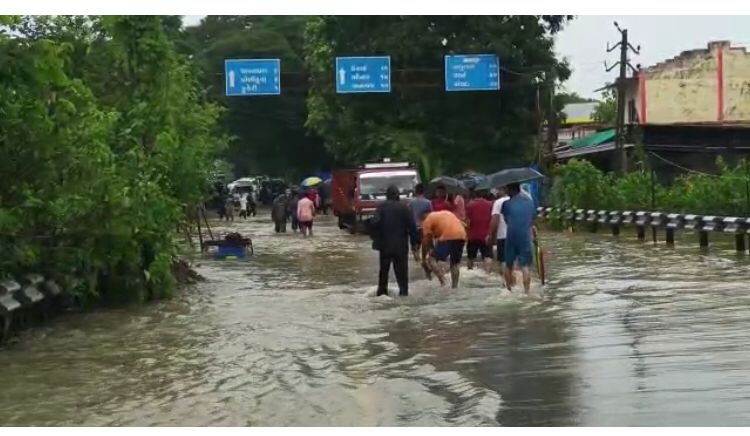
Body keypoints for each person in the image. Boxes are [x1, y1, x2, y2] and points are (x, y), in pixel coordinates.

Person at [369, 185, 420, 297]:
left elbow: (374, 223)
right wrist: (415, 245)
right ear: (398, 195)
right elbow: (412, 228)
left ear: (387, 196)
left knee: (384, 272)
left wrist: (374, 237)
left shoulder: (381, 207)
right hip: (401, 247)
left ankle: (382, 293)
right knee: (402, 273)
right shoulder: (405, 208)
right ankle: (403, 293)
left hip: (385, 246)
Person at [500, 182, 538, 294]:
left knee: (509, 264)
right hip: (525, 235)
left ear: (511, 190)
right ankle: (526, 291)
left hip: (511, 234)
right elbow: (532, 220)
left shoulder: (506, 204)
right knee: (525, 266)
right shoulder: (530, 202)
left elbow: (506, 220)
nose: (506, 191)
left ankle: (509, 290)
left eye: (507, 189)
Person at [421, 210, 467, 288]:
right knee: (454, 263)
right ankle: (454, 287)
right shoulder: (446, 213)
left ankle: (443, 281)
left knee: (431, 259)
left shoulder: (427, 220)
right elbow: (464, 225)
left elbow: (426, 241)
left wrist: (423, 258)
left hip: (448, 236)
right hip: (461, 235)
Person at [464, 189, 493, 270]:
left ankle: (470, 272)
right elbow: (492, 219)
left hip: (473, 235)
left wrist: (466, 232)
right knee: (487, 256)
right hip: (485, 235)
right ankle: (488, 274)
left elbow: (467, 221)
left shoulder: (470, 205)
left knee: (470, 257)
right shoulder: (490, 204)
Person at [487, 186, 510, 286]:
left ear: (503, 190)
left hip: (502, 235)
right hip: (515, 235)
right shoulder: (515, 200)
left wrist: (490, 235)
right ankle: (516, 283)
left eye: (498, 190)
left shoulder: (498, 202)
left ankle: (507, 284)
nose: (496, 192)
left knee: (504, 261)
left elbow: (495, 220)